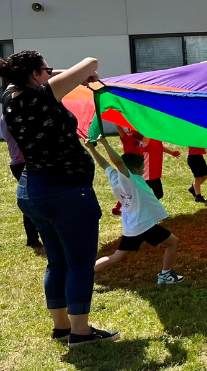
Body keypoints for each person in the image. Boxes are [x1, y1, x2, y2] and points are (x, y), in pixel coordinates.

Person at [0, 51, 119, 346]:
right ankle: (80, 333)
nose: (50, 73)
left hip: (33, 189)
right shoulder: (41, 96)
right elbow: (91, 61)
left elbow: (52, 78)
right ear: (35, 76)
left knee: (57, 262)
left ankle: (62, 327)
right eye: (46, 69)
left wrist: (58, 73)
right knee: (79, 263)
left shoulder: (10, 95)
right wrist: (81, 72)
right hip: (66, 192)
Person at [85, 136, 184, 284]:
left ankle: (83, 275)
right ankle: (165, 276)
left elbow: (105, 164)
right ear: (134, 169)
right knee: (173, 242)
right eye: (142, 168)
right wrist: (104, 143)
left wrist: (92, 148)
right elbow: (118, 162)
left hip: (132, 226)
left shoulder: (114, 177)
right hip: (143, 224)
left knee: (116, 257)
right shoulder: (129, 178)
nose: (143, 170)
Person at [2, 112, 40, 248]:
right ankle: (32, 239)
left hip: (21, 162)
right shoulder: (11, 117)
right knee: (31, 201)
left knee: (34, 199)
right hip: (22, 163)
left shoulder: (9, 115)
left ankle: (34, 239)